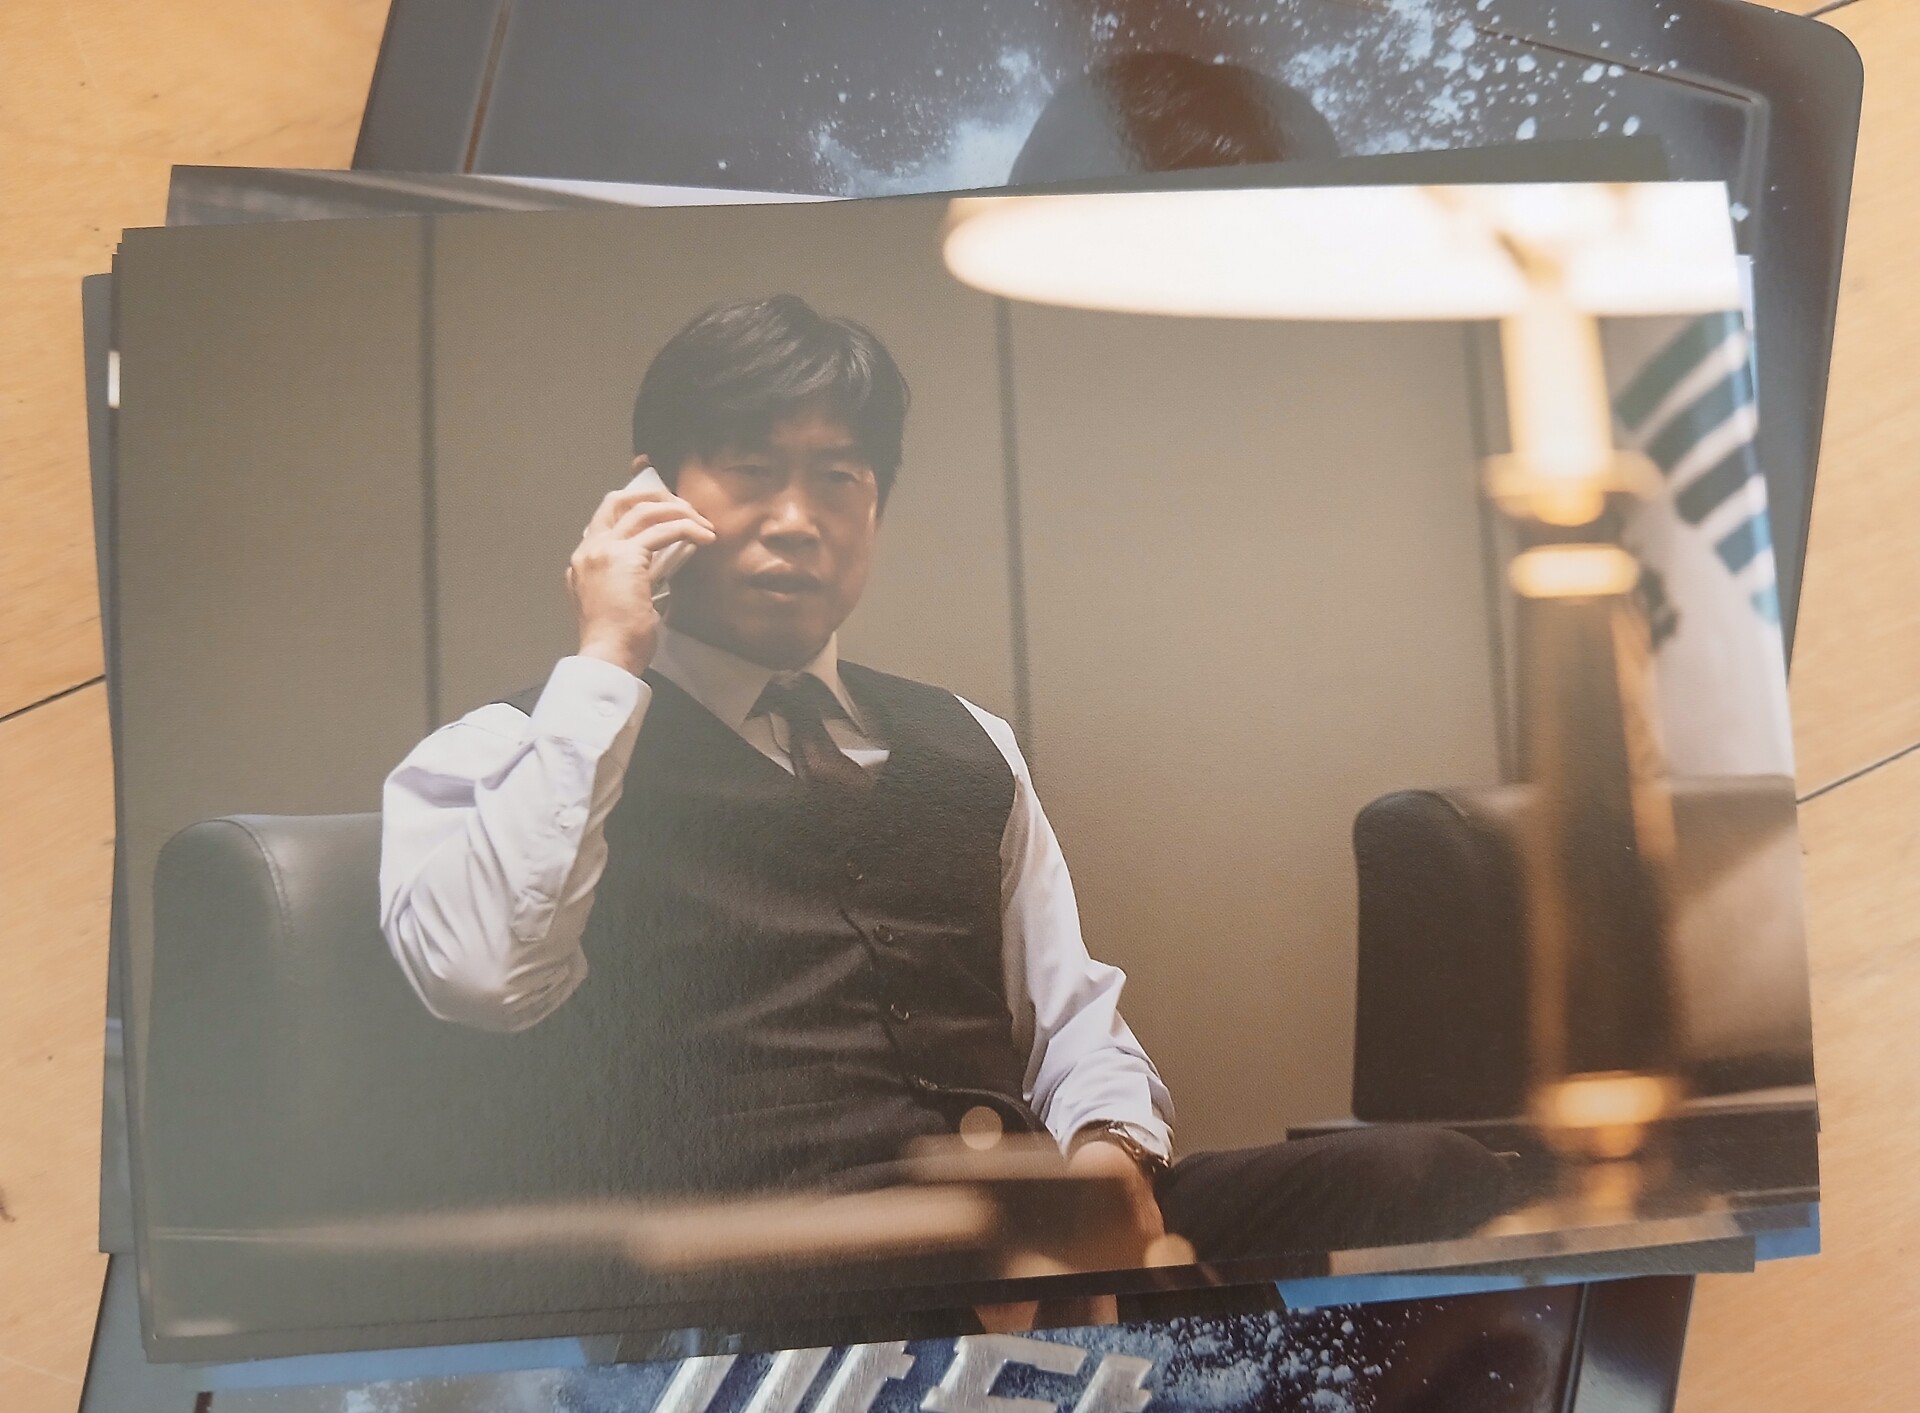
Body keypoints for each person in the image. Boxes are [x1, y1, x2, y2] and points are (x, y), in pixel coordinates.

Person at [378, 294, 1506, 1292]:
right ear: (650, 495)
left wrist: (1111, 1158)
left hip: (1019, 1221)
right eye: (753, 468)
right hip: (765, 1263)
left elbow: (1068, 1015)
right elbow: (482, 978)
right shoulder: (519, 749)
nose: (797, 517)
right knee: (956, 1262)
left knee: (1425, 1176)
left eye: (839, 477)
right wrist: (606, 660)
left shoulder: (965, 742)